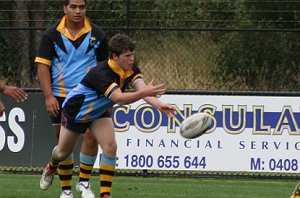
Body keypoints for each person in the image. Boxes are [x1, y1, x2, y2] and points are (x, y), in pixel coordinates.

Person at [40, 33, 177, 198]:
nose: (131, 59)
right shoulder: (102, 73)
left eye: (132, 54)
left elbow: (142, 89)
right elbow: (119, 99)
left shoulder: (130, 69)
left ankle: (105, 194)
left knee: (110, 147)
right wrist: (145, 93)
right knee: (62, 152)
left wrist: (159, 105)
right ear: (114, 56)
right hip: (77, 111)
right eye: (127, 56)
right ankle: (50, 167)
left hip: (98, 113)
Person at [35, 0, 108, 197]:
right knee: (63, 145)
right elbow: (43, 66)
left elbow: (104, 67)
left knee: (92, 137)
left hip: (90, 95)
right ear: (64, 8)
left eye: (81, 7)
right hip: (60, 96)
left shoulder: (97, 33)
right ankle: (65, 190)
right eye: (73, 7)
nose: (78, 11)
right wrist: (49, 97)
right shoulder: (52, 34)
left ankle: (84, 183)